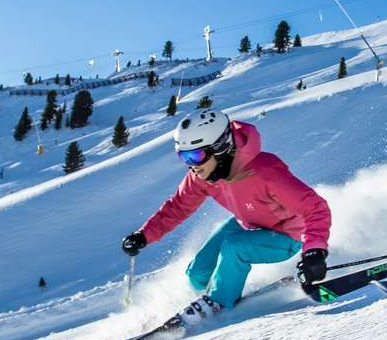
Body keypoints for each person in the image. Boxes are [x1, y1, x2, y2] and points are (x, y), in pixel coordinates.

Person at [121, 110, 332, 325]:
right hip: (248, 224)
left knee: (235, 247)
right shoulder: (202, 175)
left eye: (195, 155)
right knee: (197, 272)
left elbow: (315, 207)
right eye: (183, 156)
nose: (192, 165)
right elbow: (178, 206)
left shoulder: (265, 171)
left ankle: (218, 302)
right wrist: (144, 235)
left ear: (220, 148)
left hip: (287, 235)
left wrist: (314, 251)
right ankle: (214, 294)